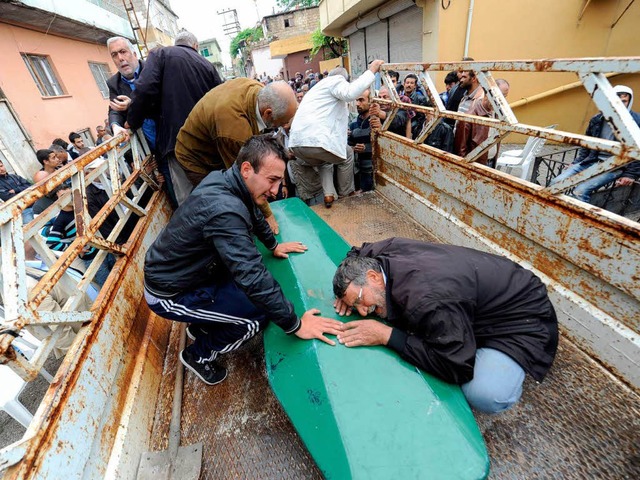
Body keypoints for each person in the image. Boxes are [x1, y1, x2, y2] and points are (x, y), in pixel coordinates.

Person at [144, 135, 342, 385]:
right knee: (253, 319)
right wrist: (295, 324)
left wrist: (273, 244)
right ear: (247, 169)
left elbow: (254, 212)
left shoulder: (226, 180)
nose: (274, 191)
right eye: (272, 180)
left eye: (278, 181)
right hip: (170, 293)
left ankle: (203, 324)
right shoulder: (225, 210)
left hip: (190, 272)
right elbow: (252, 276)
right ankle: (198, 355)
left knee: (245, 293)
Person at [332, 237, 558, 414]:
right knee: (441, 326)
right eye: (356, 305)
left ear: (373, 277)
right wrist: (346, 293)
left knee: (485, 393)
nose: (362, 311)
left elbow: (456, 366)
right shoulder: (379, 255)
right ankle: (459, 331)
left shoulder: (427, 301)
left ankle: (506, 371)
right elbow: (354, 253)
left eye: (361, 301)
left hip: (519, 317)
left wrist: (387, 335)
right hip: (478, 296)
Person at [126, 31, 223, 207]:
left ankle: (199, 233)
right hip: (208, 144)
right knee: (214, 192)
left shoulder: (161, 54)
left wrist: (132, 121)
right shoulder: (208, 66)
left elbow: (145, 89)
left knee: (189, 200)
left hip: (177, 143)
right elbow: (220, 102)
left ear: (176, 43)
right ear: (196, 46)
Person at [289, 60, 385, 208]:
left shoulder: (316, 90)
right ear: (343, 79)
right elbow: (350, 93)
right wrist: (371, 70)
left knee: (325, 159)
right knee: (346, 154)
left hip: (297, 146)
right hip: (314, 141)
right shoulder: (336, 81)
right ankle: (346, 193)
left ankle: (328, 195)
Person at [549, 85, 640, 203]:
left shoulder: (635, 122)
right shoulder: (598, 119)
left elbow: (638, 151)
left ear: (629, 102)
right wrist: (576, 162)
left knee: (580, 191)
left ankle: (578, 219)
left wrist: (630, 174)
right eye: (617, 101)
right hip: (591, 161)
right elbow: (587, 144)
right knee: (555, 183)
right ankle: (555, 211)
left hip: (615, 166)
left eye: (624, 101)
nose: (620, 105)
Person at [454, 79, 510, 163]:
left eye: (504, 97)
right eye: (499, 96)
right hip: (475, 167)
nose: (501, 101)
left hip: (491, 163)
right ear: (487, 93)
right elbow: (460, 152)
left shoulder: (498, 114)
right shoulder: (469, 118)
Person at [348, 89, 375, 192]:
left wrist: (367, 147)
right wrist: (354, 148)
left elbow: (386, 147)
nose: (357, 104)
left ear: (370, 101)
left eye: (361, 100)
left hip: (377, 172)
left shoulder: (377, 121)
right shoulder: (353, 124)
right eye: (356, 100)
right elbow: (349, 146)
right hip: (361, 173)